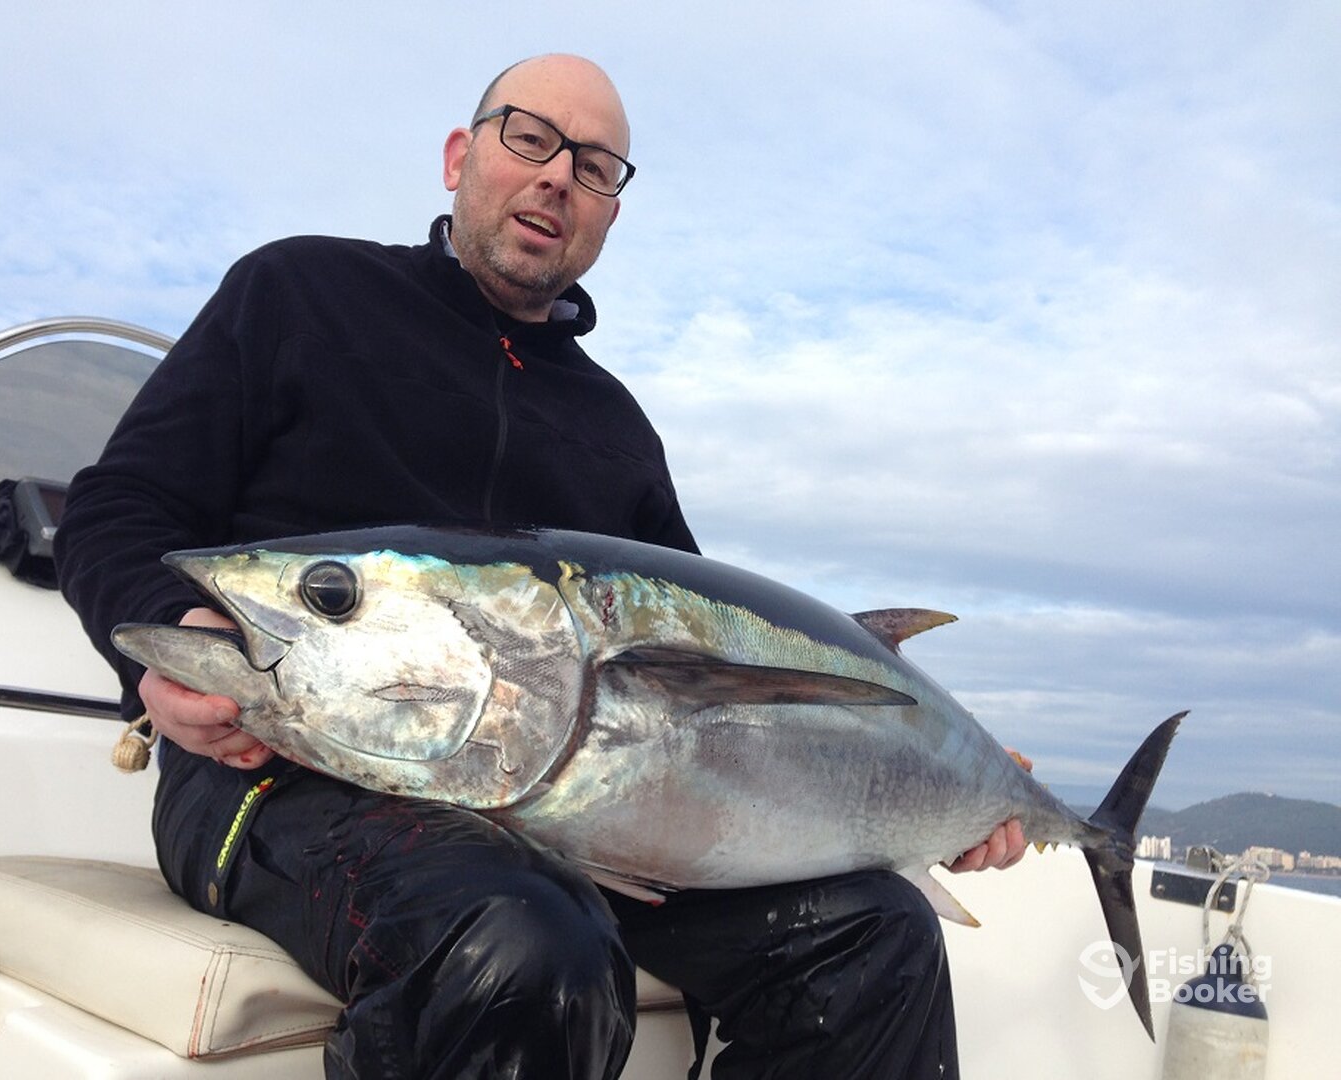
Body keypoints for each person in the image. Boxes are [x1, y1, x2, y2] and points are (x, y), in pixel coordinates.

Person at [57, 53, 1027, 1080]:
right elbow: (116, 509)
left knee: (878, 938)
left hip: (575, 815)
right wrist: (176, 634)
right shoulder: (299, 295)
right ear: (459, 157)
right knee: (519, 939)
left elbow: (708, 669)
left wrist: (938, 784)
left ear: (610, 214)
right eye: (529, 137)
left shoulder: (615, 429)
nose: (558, 175)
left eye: (595, 166)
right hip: (283, 781)